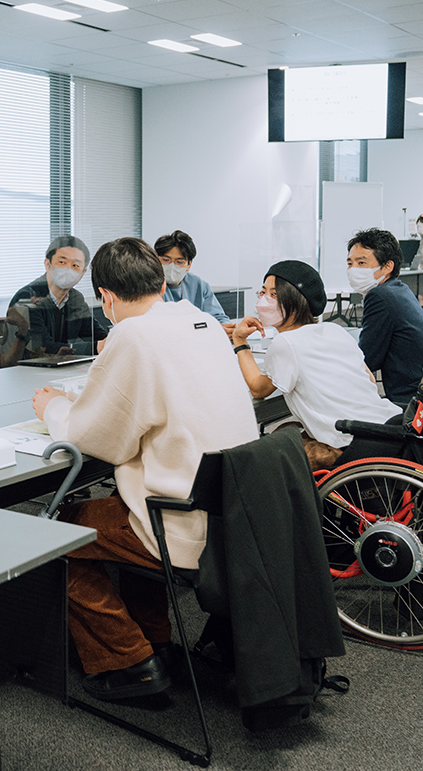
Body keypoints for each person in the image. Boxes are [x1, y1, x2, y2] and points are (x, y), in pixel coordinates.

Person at [29, 238, 257, 701]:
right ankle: (158, 642)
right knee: (117, 510)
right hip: (231, 514)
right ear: (158, 280)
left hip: (178, 521)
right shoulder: (203, 321)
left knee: (53, 535)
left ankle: (130, 660)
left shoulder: (131, 335)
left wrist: (53, 409)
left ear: (106, 296)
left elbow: (97, 439)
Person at [230, 260, 401, 469]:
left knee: (269, 449)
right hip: (386, 428)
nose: (264, 300)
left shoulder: (285, 343)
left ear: (295, 301)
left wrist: (240, 342)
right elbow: (370, 380)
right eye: (263, 292)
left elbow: (258, 389)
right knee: (289, 427)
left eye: (274, 295)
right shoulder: (335, 330)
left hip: (348, 442)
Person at [0, 235, 108, 366]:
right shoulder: (27, 297)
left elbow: (97, 334)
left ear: (82, 273)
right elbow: (43, 347)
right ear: (48, 264)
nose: (68, 269)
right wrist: (96, 347)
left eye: (75, 265)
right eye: (62, 262)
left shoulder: (75, 298)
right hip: (28, 371)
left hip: (61, 368)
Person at [347, 228, 423, 408]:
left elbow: (367, 359)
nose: (353, 270)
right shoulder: (399, 289)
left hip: (411, 401)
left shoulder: (379, 296)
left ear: (387, 266)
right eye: (350, 263)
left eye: (361, 263)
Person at [154, 229, 229, 322]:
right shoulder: (150, 284)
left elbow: (219, 318)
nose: (172, 265)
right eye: (166, 260)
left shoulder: (198, 285)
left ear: (189, 264)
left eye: (179, 262)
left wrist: (223, 328)